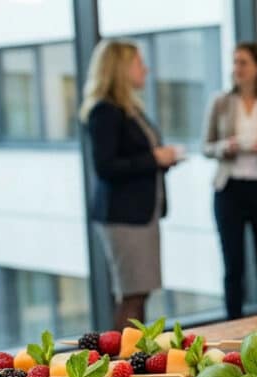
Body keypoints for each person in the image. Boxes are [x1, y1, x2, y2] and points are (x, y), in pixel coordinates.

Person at [79, 39, 179, 328]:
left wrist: (161, 159)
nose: (145, 69)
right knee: (132, 296)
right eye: (139, 63)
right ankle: (123, 356)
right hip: (124, 216)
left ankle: (135, 352)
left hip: (141, 214)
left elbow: (135, 157)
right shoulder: (105, 111)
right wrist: (154, 158)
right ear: (120, 68)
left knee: (139, 293)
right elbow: (105, 166)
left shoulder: (129, 109)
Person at [203, 43, 257, 319]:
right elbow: (206, 146)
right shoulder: (220, 102)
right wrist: (224, 147)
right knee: (233, 266)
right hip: (229, 190)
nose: (236, 68)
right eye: (234, 62)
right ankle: (233, 326)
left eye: (243, 62)